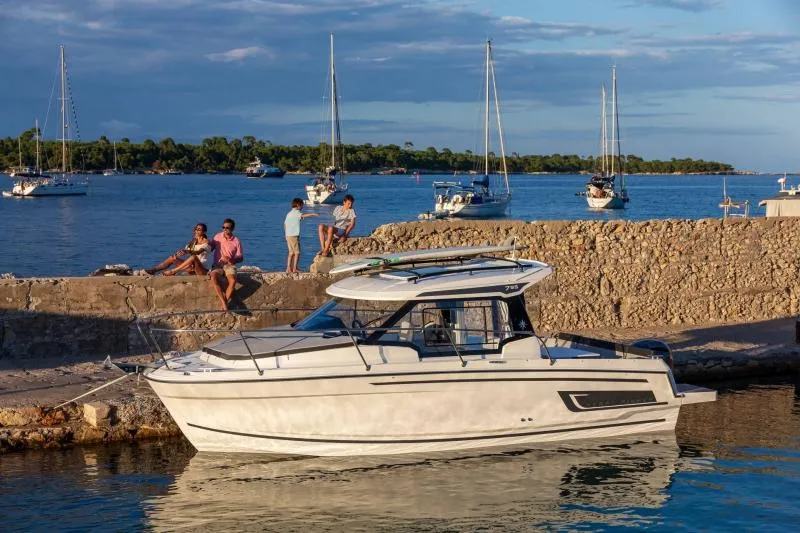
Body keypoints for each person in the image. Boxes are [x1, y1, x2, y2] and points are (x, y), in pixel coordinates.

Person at [209, 218, 244, 310]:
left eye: (227, 228)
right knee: (213, 277)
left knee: (232, 281)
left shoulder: (236, 241)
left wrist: (232, 259)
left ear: (232, 229)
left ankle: (225, 302)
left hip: (229, 265)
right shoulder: (217, 237)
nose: (224, 229)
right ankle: (224, 303)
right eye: (223, 227)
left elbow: (240, 257)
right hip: (217, 265)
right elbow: (209, 248)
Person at [284, 198, 319, 273]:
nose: (302, 207)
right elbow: (303, 215)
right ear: (298, 205)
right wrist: (313, 214)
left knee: (291, 253)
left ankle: (288, 268)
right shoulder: (297, 212)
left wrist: (286, 234)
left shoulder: (289, 213)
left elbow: (284, 224)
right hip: (294, 235)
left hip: (288, 235)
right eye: (302, 205)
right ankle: (295, 268)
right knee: (297, 252)